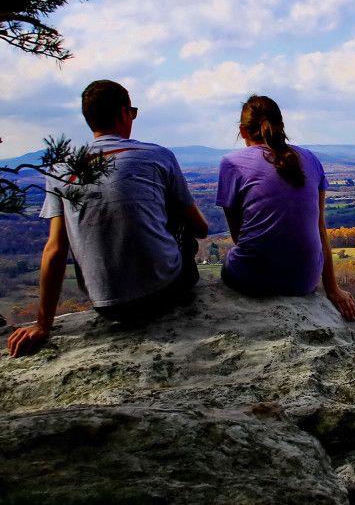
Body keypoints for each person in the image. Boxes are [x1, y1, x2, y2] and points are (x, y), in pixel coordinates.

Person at [6, 80, 208, 357]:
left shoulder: (60, 169)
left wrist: (43, 325)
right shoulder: (158, 156)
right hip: (164, 293)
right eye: (132, 112)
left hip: (106, 304)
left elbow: (55, 247)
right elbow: (200, 228)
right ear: (124, 113)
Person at [216, 95, 355, 321]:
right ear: (281, 127)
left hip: (251, 278)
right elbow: (320, 228)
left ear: (243, 131)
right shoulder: (310, 159)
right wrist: (332, 289)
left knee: (227, 266)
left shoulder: (231, 163)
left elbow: (238, 235)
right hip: (303, 281)